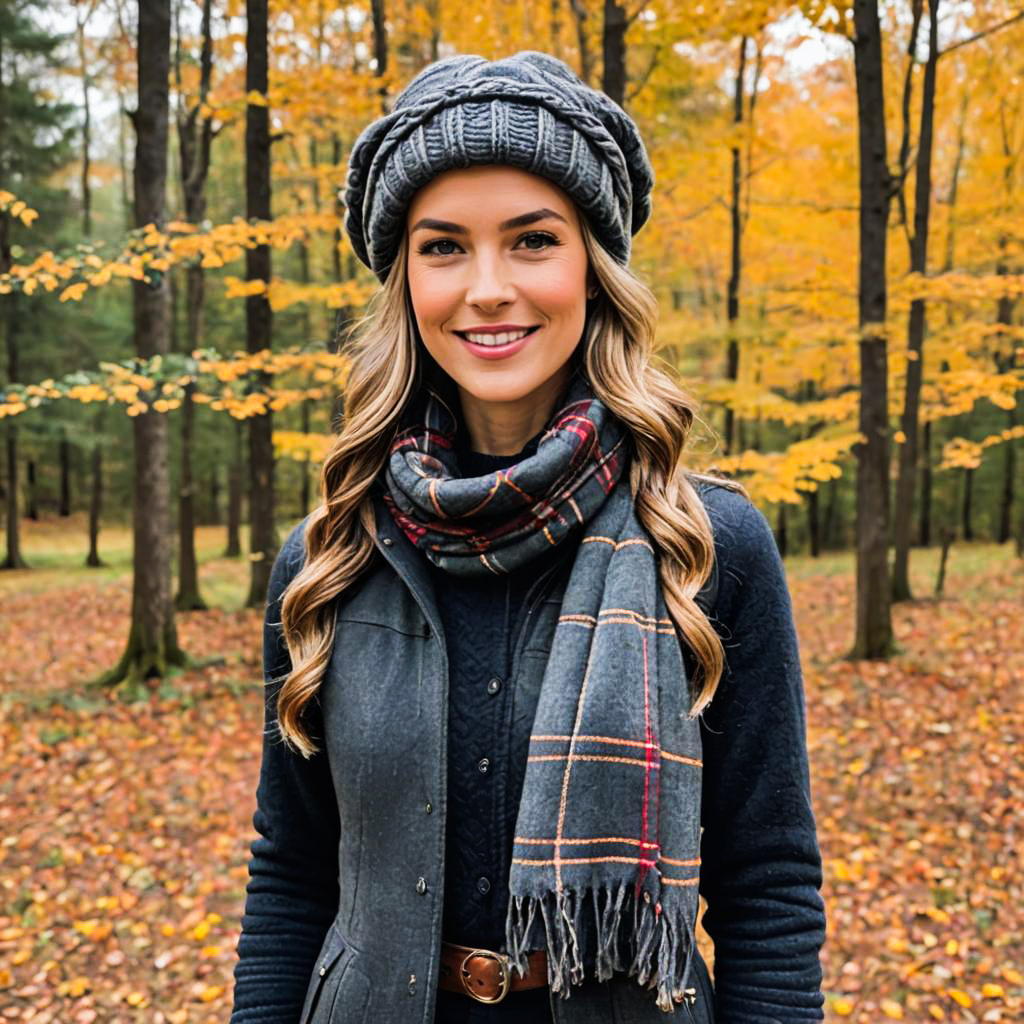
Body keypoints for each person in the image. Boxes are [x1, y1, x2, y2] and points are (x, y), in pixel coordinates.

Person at [229, 51, 826, 1024]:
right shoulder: (331, 556)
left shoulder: (707, 545)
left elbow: (769, 890)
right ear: (404, 278)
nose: (488, 287)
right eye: (444, 246)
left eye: (532, 239)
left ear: (592, 264)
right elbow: (290, 877)